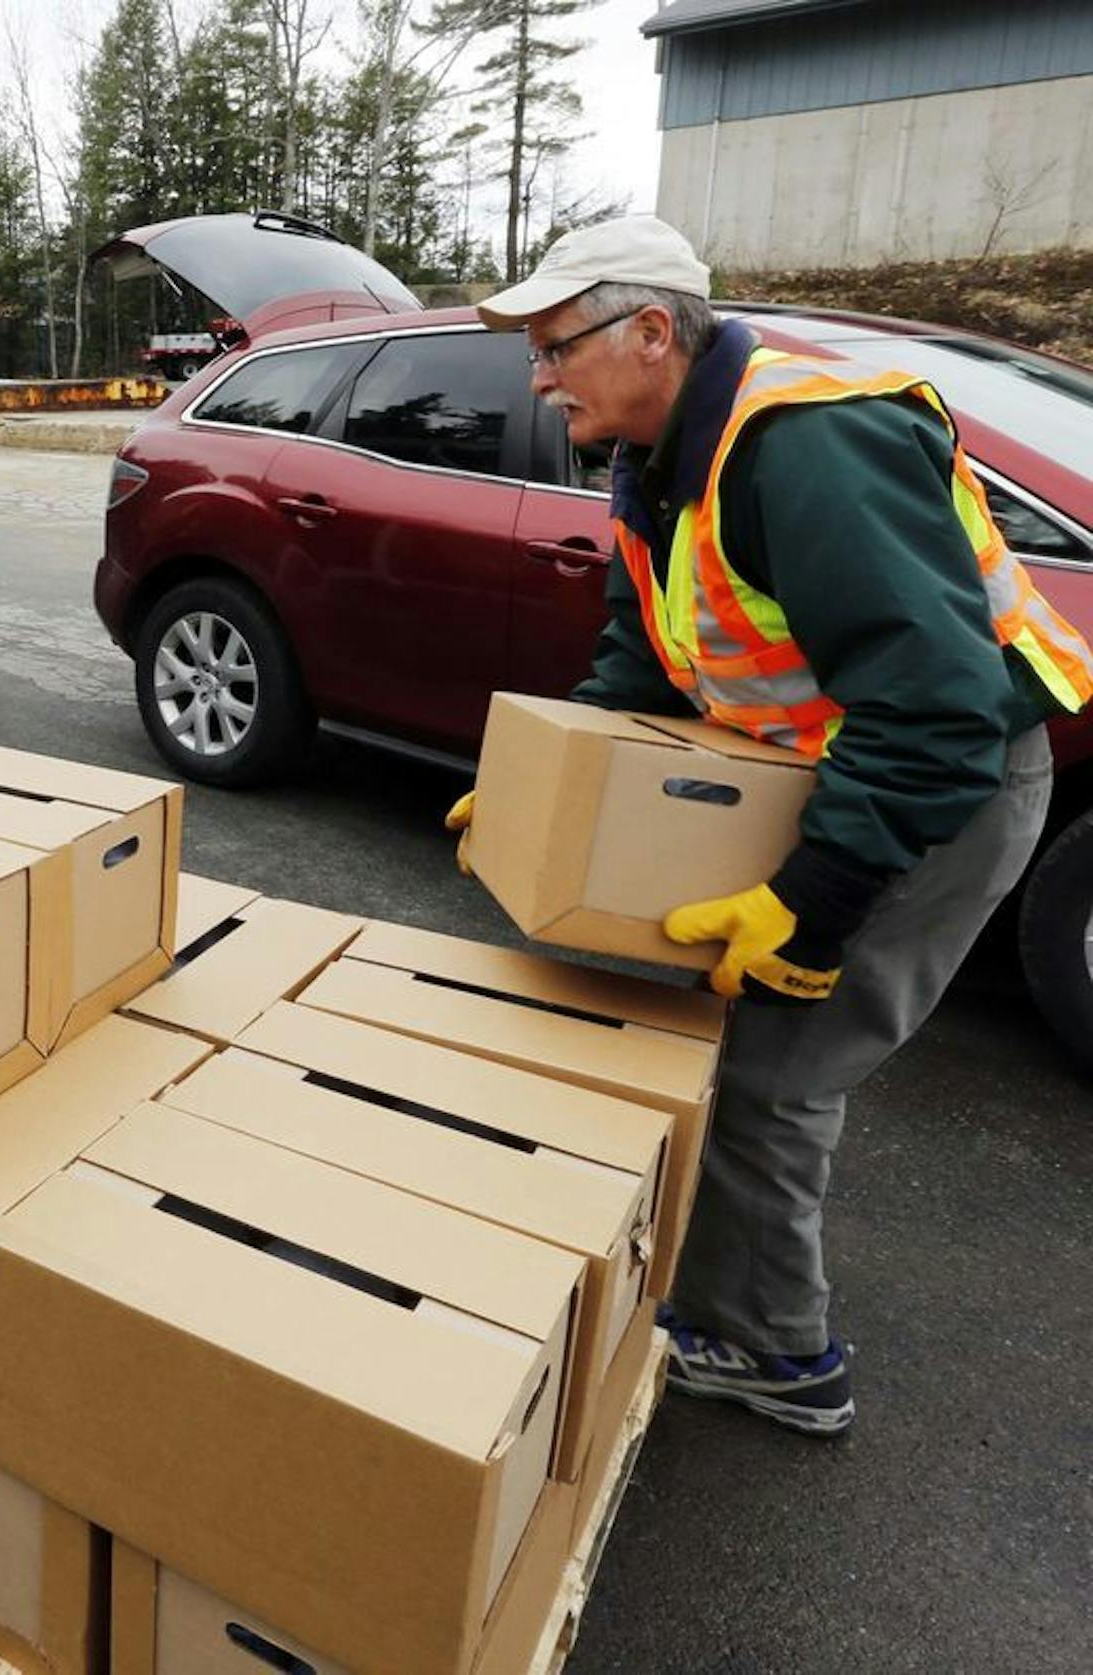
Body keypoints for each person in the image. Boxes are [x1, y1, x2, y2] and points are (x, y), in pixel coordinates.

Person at [450, 216, 1092, 1435]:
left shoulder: (809, 442)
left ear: (652, 333)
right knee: (719, 1035)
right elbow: (643, 654)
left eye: (553, 346)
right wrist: (547, 779)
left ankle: (775, 1355)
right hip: (841, 765)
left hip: (943, 789)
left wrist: (819, 897)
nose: (537, 375)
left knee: (775, 1071)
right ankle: (717, 1282)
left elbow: (939, 709)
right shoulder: (659, 454)